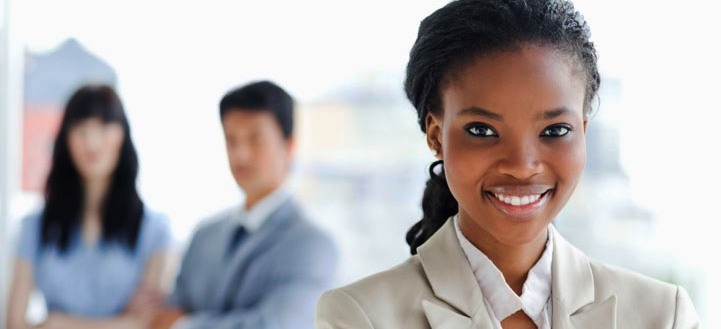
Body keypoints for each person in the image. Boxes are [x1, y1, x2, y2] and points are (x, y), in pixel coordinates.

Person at [316, 0, 700, 328]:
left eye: (554, 130)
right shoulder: (361, 316)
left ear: (583, 132)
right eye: (482, 130)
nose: (521, 166)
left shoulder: (662, 314)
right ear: (436, 135)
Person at [152, 80, 338, 329]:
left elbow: (277, 326)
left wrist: (184, 325)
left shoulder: (313, 246)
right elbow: (165, 315)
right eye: (231, 140)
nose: (240, 154)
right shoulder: (204, 234)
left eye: (255, 139)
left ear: (289, 146)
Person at [7, 84, 173, 329]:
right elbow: (13, 323)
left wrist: (56, 324)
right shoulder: (34, 227)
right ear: (66, 138)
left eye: (104, 127)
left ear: (122, 135)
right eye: (81, 129)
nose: (92, 142)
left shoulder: (154, 229)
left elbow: (149, 324)